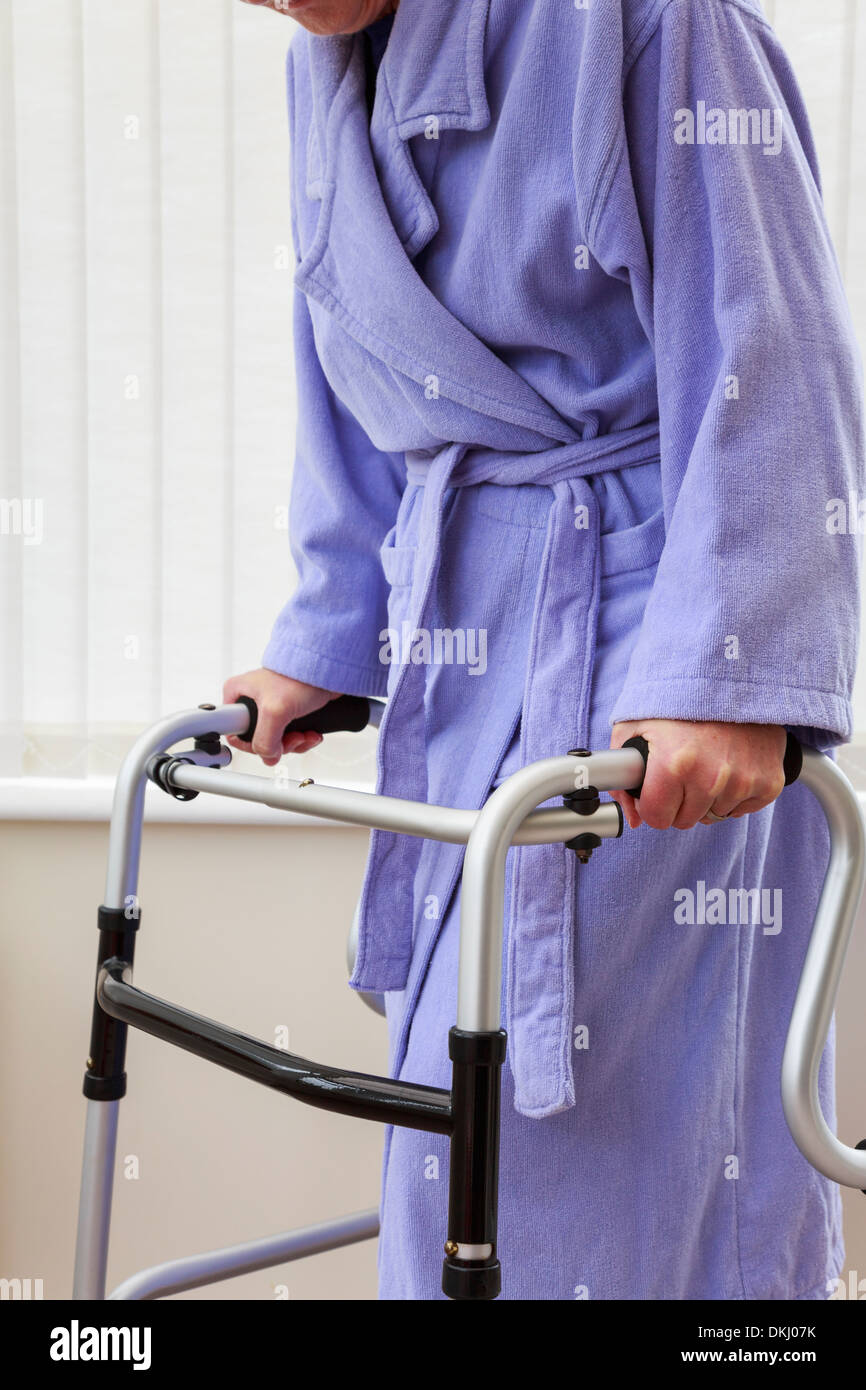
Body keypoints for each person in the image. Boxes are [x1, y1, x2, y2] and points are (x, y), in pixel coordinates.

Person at [226, 0, 864, 1299]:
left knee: (614, 1145)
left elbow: (770, 342)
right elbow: (361, 386)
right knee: (456, 1120)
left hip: (648, 656)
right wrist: (325, 635)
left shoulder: (654, 21)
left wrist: (727, 682)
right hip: (464, 656)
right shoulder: (323, 65)